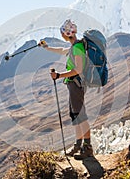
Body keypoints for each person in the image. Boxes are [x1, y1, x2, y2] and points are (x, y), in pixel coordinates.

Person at [38, 19, 93, 159]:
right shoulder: (74, 46)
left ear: (66, 34)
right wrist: (46, 47)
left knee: (80, 115)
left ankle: (87, 148)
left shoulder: (77, 48)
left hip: (77, 84)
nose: (62, 35)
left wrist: (59, 75)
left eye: (62, 33)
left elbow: (78, 69)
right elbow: (62, 51)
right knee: (75, 115)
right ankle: (78, 145)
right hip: (73, 85)